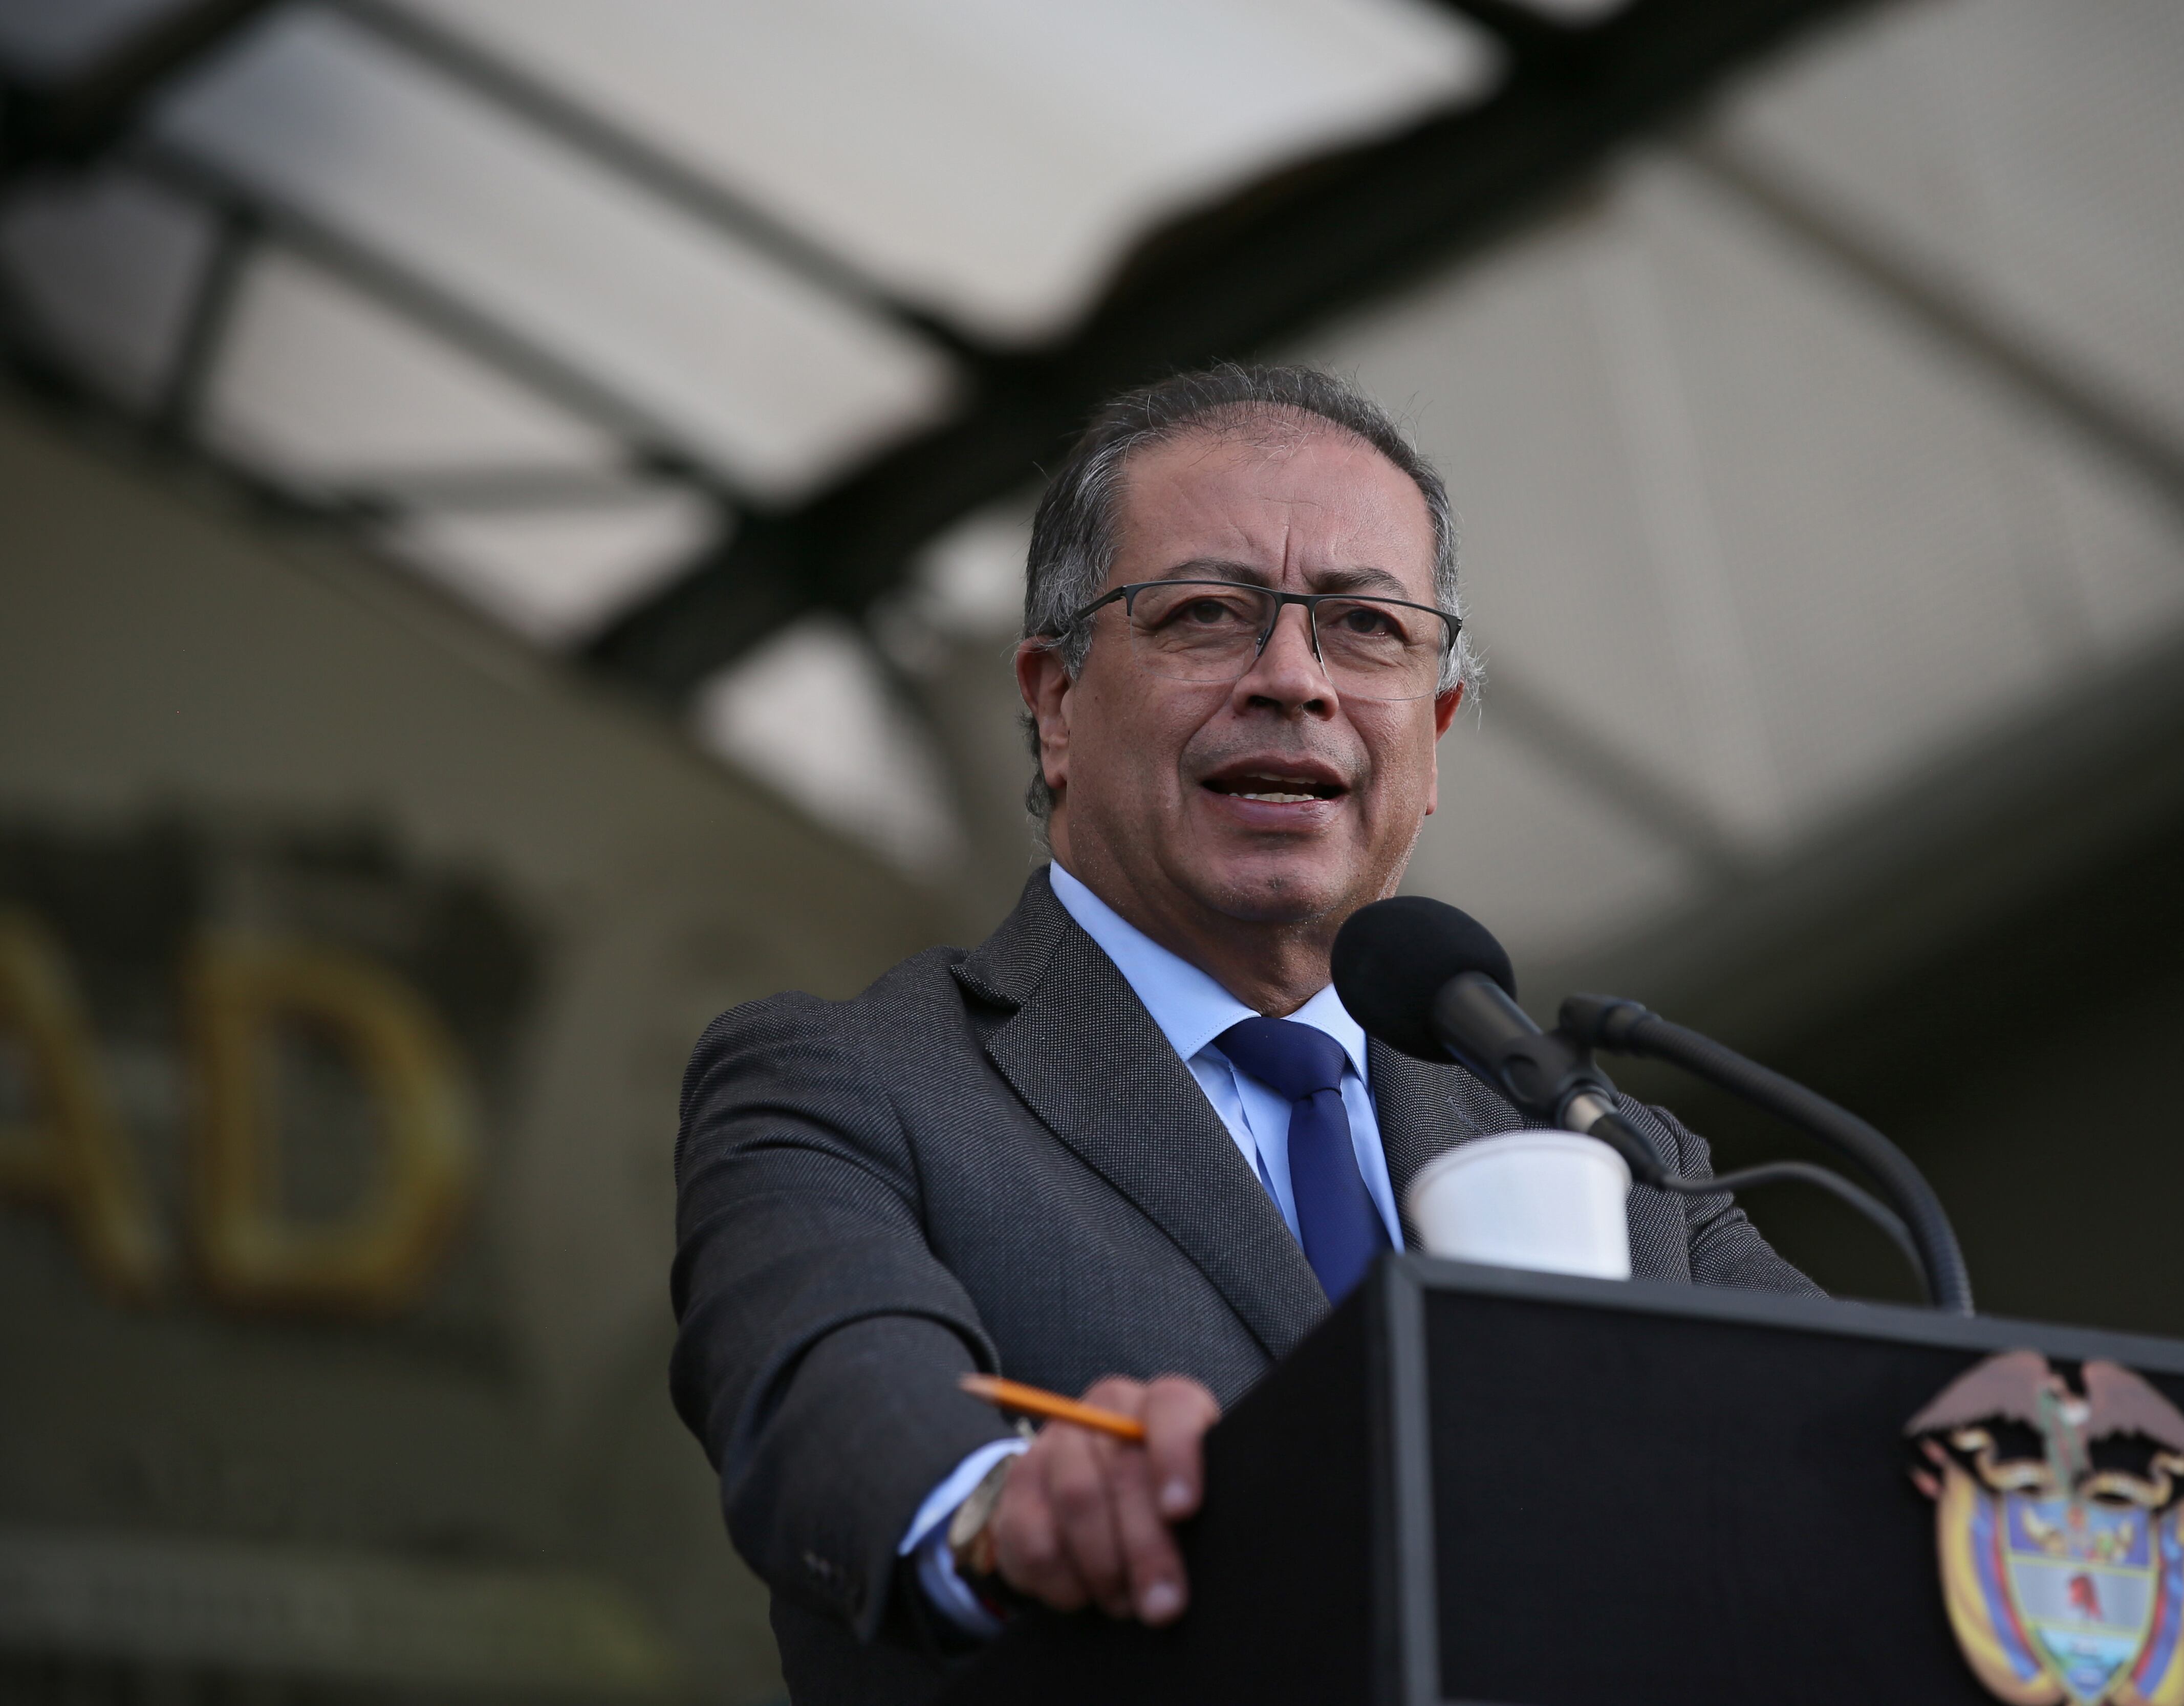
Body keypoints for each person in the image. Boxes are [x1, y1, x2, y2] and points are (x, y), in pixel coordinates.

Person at [668, 364, 1814, 1704]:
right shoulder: (848, 1086)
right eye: (1210, 616)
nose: (1293, 679)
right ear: (1053, 707)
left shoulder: (1600, 1145)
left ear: (1433, 738)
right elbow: (836, 1390)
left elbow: (1864, 1454)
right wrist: (1008, 1514)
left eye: (1366, 628)